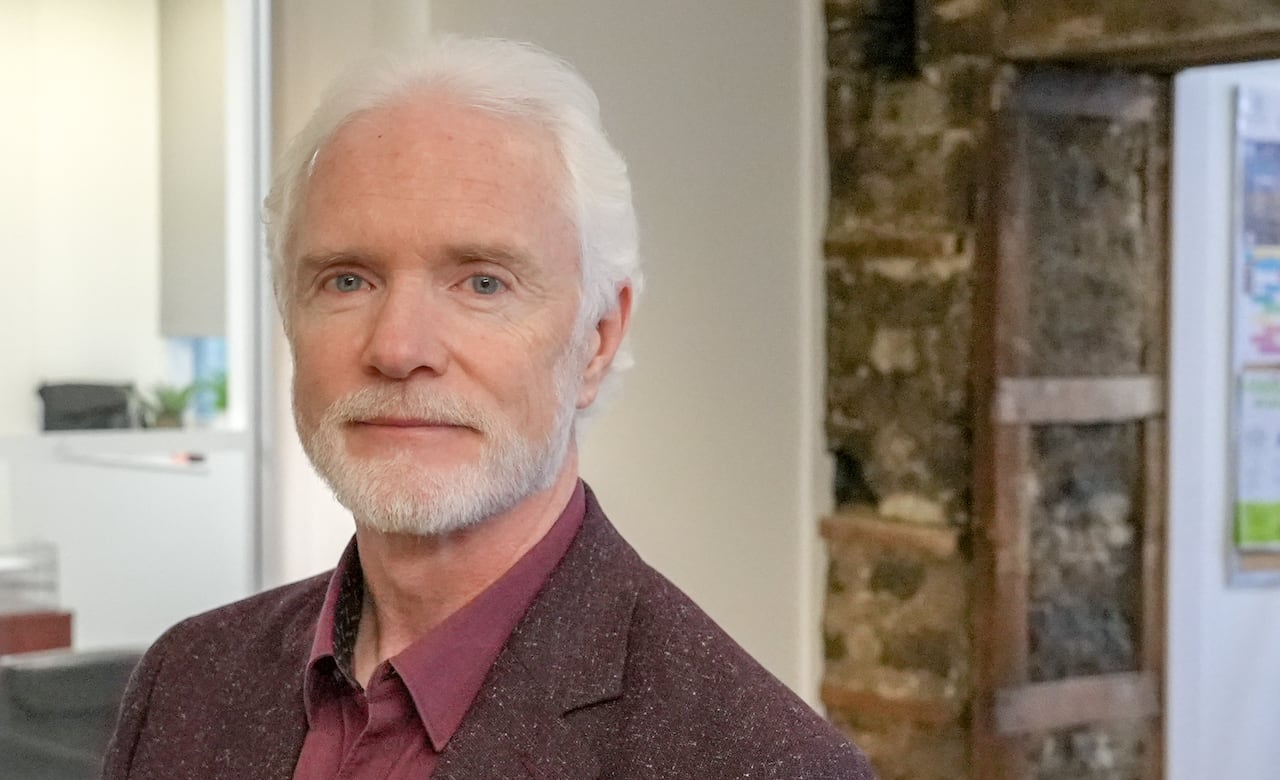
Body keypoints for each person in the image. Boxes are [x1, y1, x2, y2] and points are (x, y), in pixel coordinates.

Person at [102, 36, 874, 780]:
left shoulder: (757, 761)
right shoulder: (185, 683)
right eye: (347, 280)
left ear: (596, 341)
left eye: (481, 283)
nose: (399, 347)